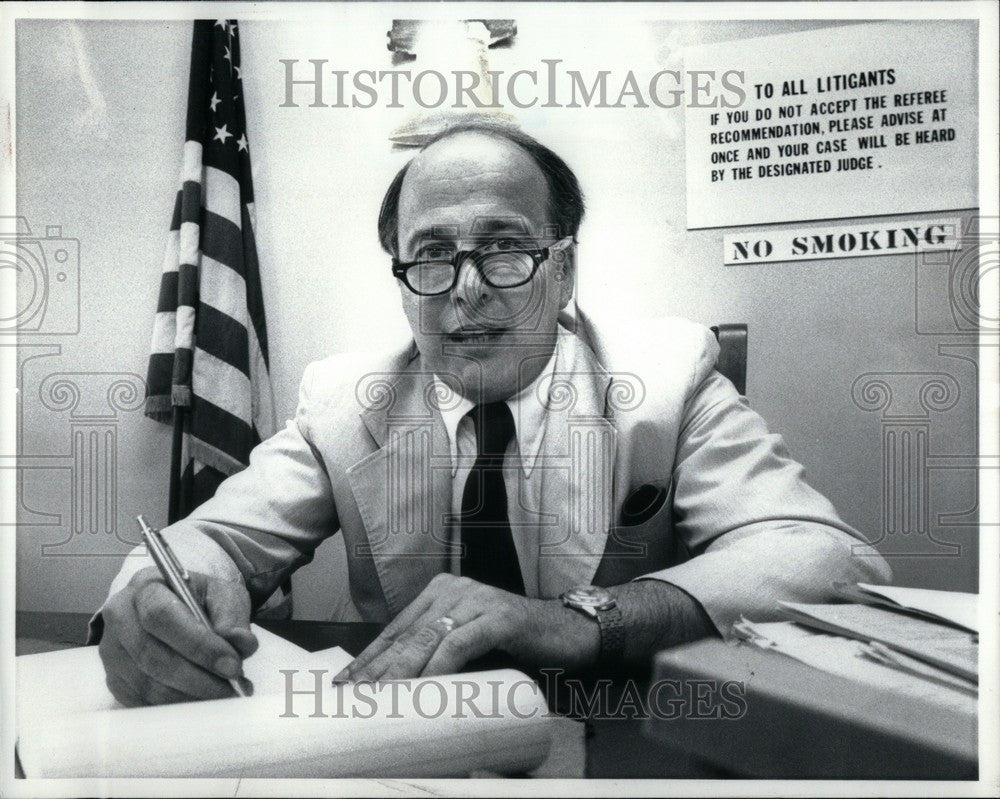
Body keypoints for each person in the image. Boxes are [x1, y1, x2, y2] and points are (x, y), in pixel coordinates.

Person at [97, 123, 890, 706]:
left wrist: (583, 620)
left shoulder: (666, 378)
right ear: (404, 280)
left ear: (565, 270)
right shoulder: (343, 402)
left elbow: (823, 554)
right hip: (409, 732)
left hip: (625, 729)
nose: (467, 289)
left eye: (505, 249)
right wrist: (155, 599)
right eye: (432, 255)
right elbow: (207, 541)